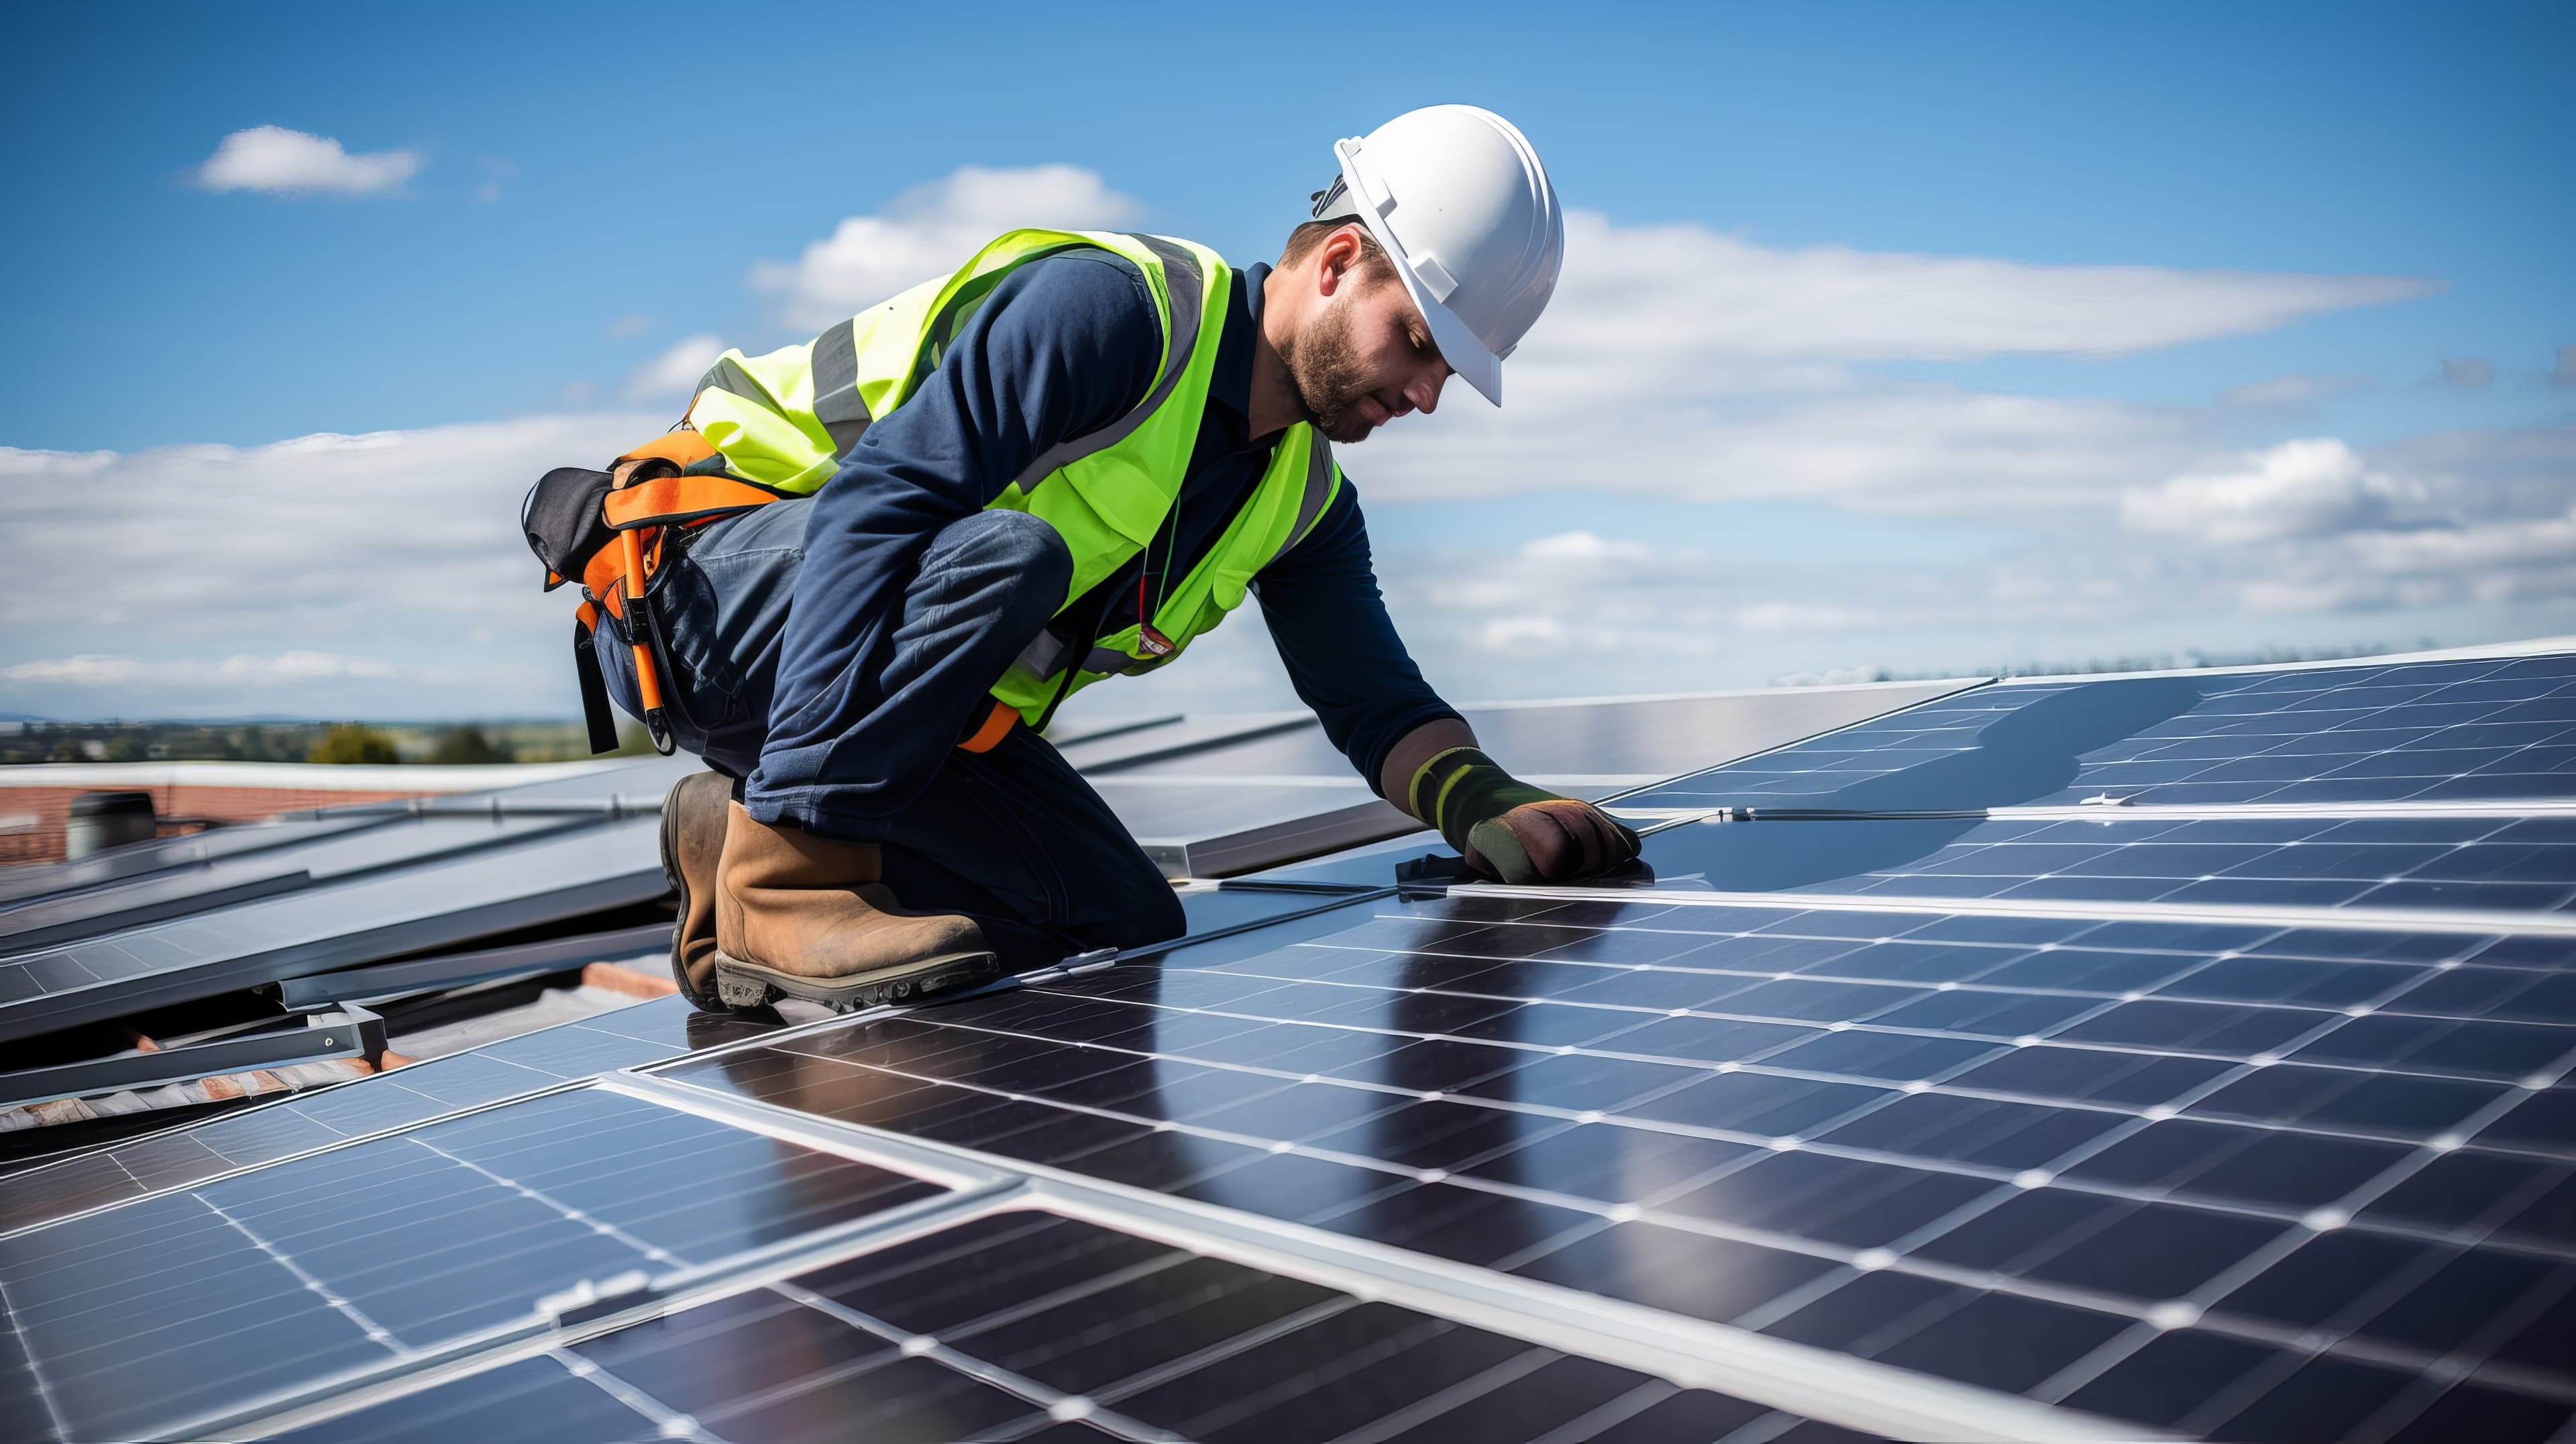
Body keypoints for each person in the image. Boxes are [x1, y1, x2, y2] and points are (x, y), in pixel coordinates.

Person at [593, 105, 1641, 1015]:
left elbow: (1378, 705)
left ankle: (723, 850)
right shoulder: (1116, 316)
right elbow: (877, 510)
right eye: (1417, 343)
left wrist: (1491, 802)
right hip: (700, 593)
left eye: (1449, 373)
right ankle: (782, 876)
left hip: (860, 693)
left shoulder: (1306, 502)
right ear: (1335, 264)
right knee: (1007, 558)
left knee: (1120, 920)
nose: (1426, 396)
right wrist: (805, 838)